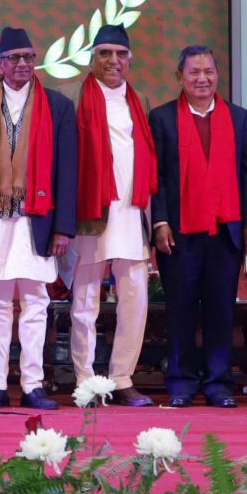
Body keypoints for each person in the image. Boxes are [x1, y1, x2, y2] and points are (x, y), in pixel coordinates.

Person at [0, 26, 78, 410]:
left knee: (37, 301)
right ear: (0, 63)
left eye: (28, 57)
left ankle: (32, 385)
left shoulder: (57, 106)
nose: (22, 64)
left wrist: (63, 228)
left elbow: (67, 171)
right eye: (14, 58)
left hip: (37, 219)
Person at [149, 45, 247, 407]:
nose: (202, 79)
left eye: (209, 71)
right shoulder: (162, 118)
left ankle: (218, 382)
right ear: (179, 77)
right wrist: (160, 221)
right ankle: (181, 381)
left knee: (220, 309)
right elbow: (157, 176)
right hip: (178, 231)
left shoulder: (238, 118)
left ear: (217, 75)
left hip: (225, 230)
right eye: (194, 72)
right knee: (180, 309)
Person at [71, 24, 159, 405]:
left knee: (135, 300)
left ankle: (122, 378)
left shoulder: (141, 101)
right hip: (91, 213)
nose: (113, 60)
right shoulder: (72, 97)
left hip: (132, 213)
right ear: (92, 58)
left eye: (121, 53)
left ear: (130, 60)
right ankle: (85, 379)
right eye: (105, 53)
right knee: (85, 301)